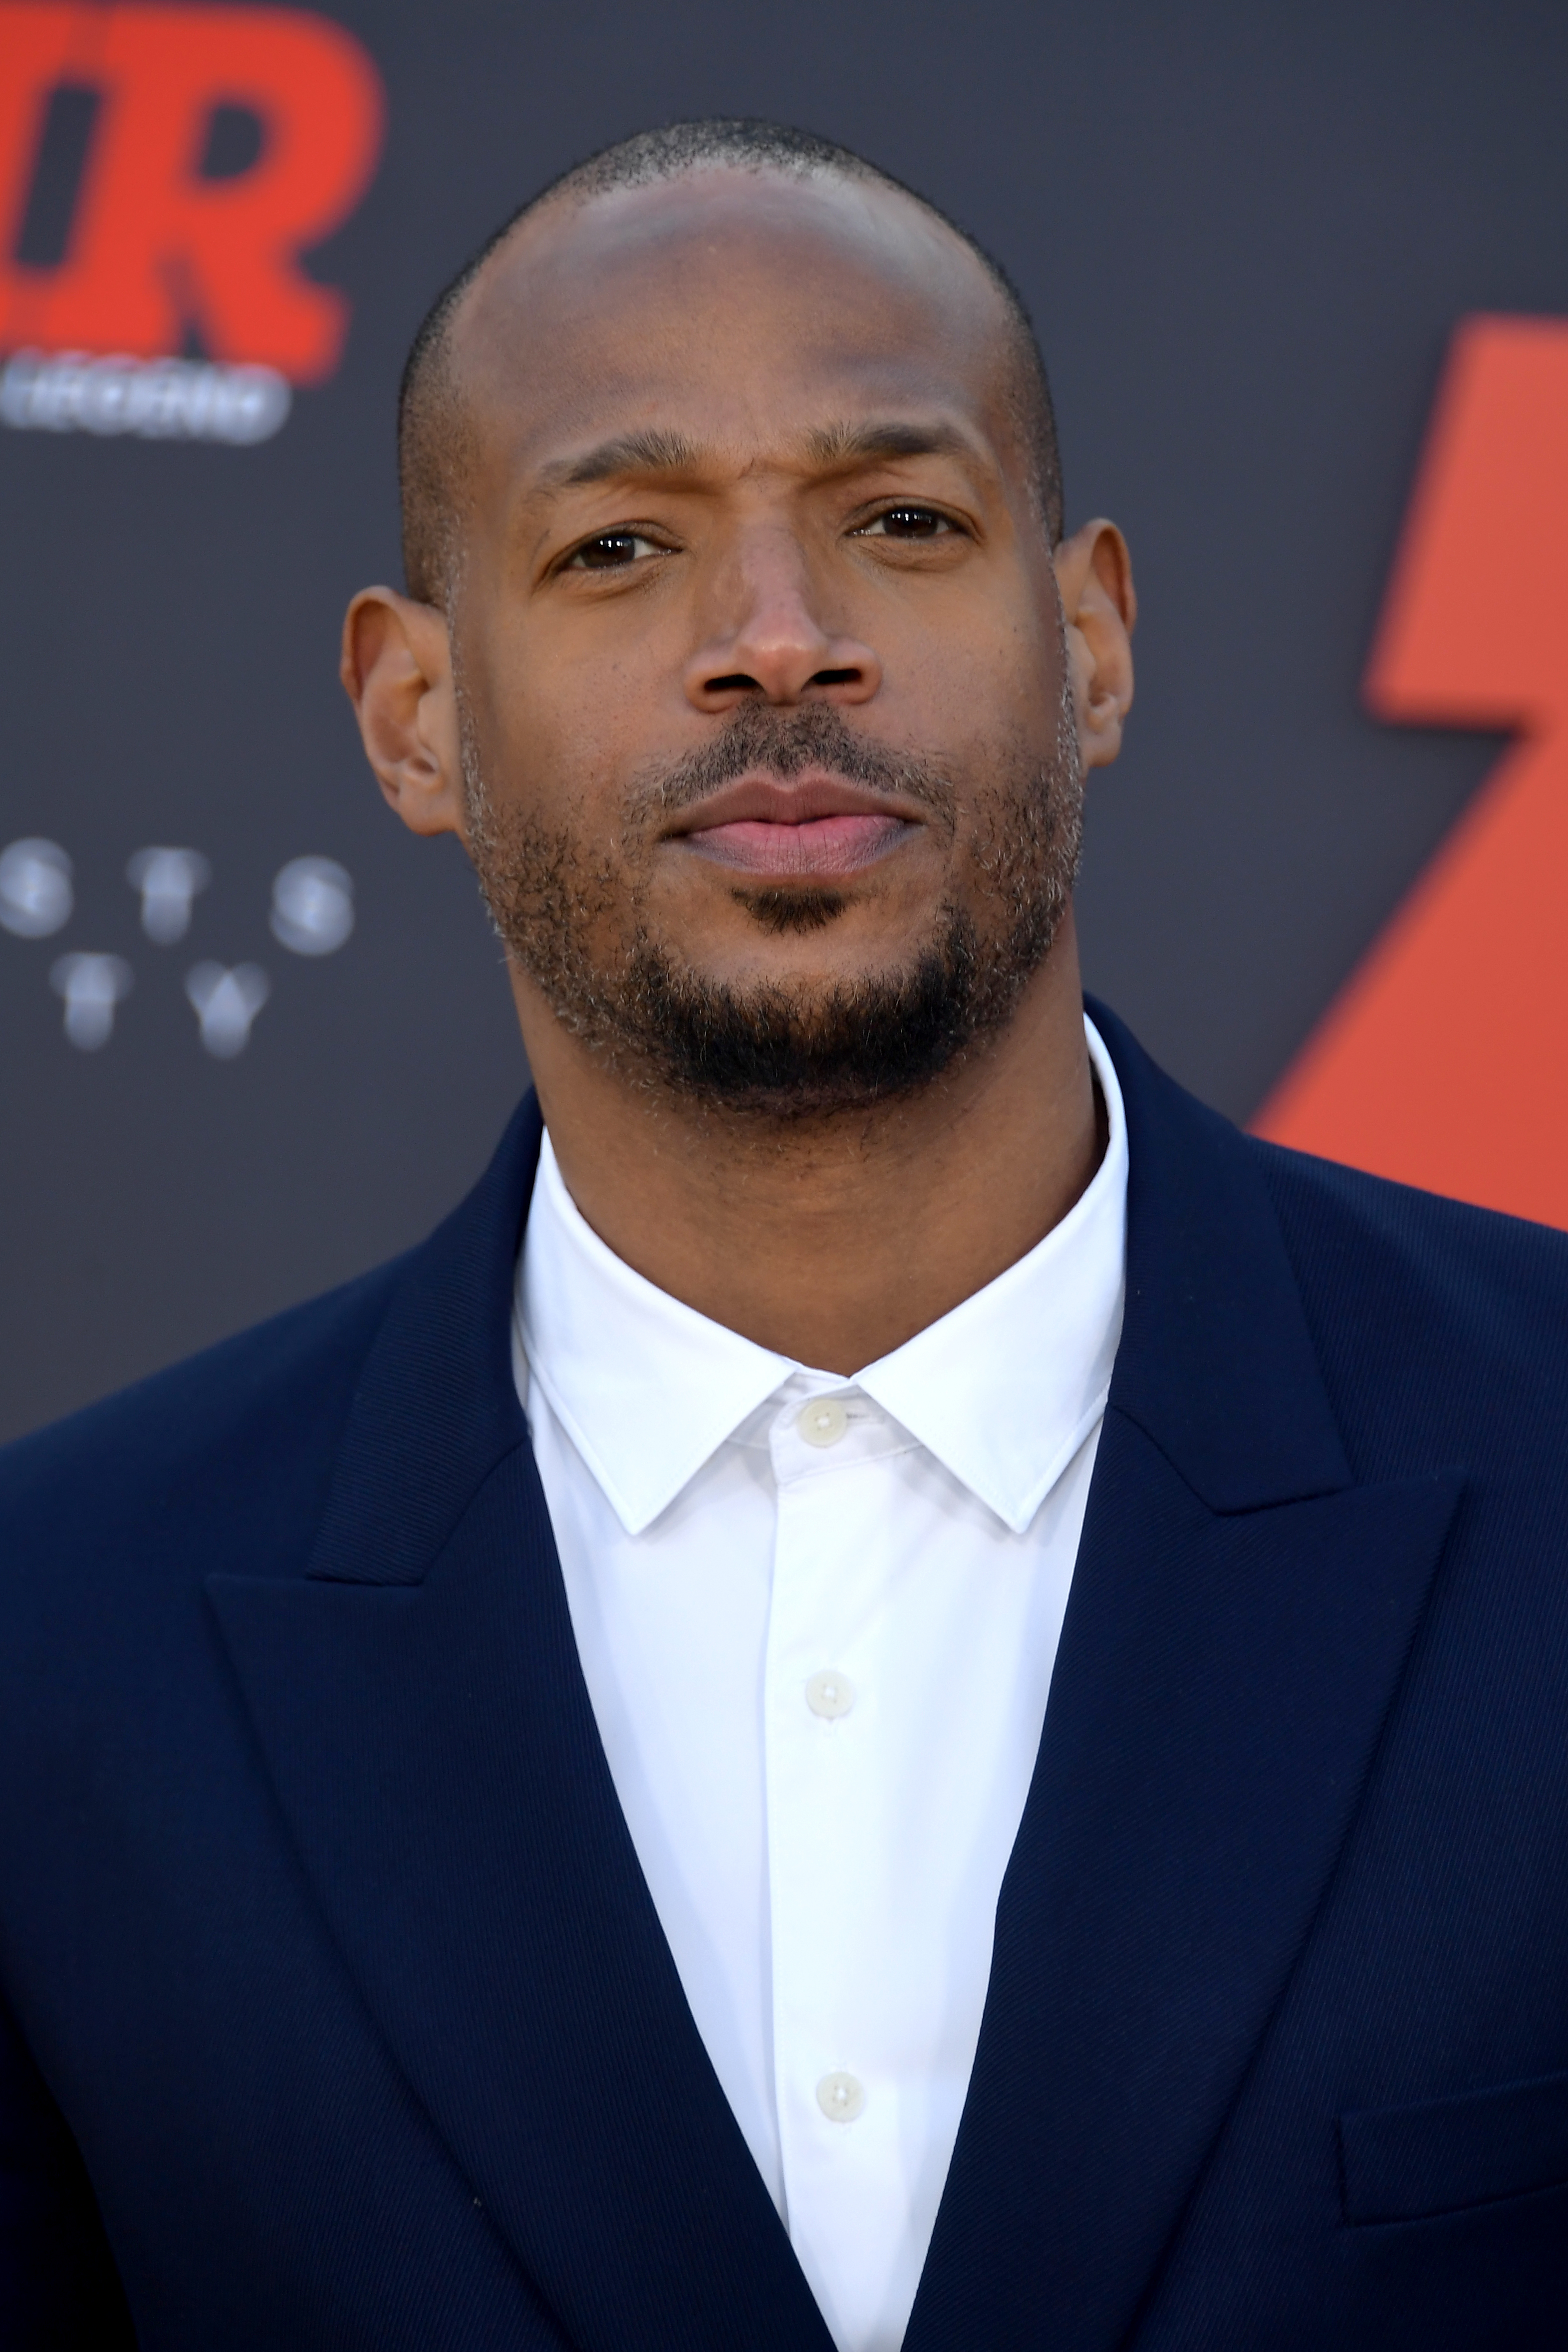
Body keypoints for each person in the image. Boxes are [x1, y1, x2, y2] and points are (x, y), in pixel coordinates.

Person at [1, 115, 1565, 2352]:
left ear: (1093, 638)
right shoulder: (58, 1662)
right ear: (412, 714)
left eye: (901, 521)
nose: (777, 641)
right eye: (623, 543)